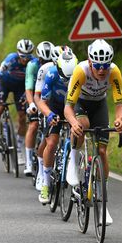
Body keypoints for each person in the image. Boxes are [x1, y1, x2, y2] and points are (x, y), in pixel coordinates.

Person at [64, 39, 122, 225]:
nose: (101, 70)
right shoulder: (80, 71)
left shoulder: (114, 72)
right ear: (90, 62)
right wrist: (73, 123)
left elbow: (120, 105)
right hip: (80, 103)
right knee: (82, 124)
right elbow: (68, 108)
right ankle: (73, 162)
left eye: (105, 66)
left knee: (102, 152)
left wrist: (119, 120)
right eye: (97, 66)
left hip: (99, 105)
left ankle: (102, 202)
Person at [37, 50, 78, 203]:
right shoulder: (52, 74)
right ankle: (46, 184)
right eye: (64, 78)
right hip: (54, 106)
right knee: (52, 143)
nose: (67, 81)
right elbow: (42, 101)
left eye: (70, 78)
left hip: (72, 106)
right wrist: (49, 115)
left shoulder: (80, 73)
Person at [0, 38, 36, 165]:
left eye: (28, 56)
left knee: (22, 117)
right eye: (22, 56)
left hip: (21, 87)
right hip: (5, 84)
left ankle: (19, 149)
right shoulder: (10, 60)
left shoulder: (33, 62)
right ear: (18, 52)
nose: (25, 59)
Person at [33, 45, 71, 191]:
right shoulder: (47, 70)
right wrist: (47, 114)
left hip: (69, 105)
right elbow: (39, 96)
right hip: (50, 104)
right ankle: (43, 176)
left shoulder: (74, 71)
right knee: (50, 141)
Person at [23, 41, 54, 177]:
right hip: (34, 96)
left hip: (48, 97)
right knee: (34, 124)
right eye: (43, 60)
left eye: (49, 60)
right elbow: (29, 88)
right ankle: (29, 162)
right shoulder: (32, 65)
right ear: (38, 58)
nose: (46, 63)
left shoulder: (54, 66)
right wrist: (31, 104)